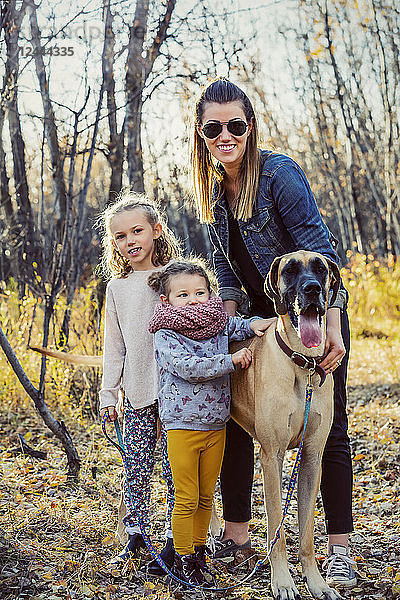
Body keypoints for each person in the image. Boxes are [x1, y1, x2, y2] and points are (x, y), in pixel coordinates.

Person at [191, 77, 356, 589]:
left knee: (327, 435)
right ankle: (239, 537)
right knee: (239, 422)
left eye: (235, 125)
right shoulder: (214, 197)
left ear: (251, 127)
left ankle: (338, 549)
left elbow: (321, 254)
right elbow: (224, 275)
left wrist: (332, 331)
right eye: (214, 127)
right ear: (202, 133)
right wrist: (231, 333)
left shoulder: (279, 174)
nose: (226, 136)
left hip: (314, 312)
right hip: (262, 325)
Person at [148, 260, 273, 586]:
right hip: (182, 426)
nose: (193, 300)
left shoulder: (218, 322)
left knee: (206, 497)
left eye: (200, 292)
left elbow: (240, 327)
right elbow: (187, 366)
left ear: (210, 293)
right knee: (186, 497)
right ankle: (183, 559)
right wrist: (229, 361)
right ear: (167, 301)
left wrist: (260, 324)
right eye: (183, 294)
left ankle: (199, 552)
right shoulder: (165, 333)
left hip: (215, 425)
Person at [98, 191, 180, 575]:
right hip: (137, 394)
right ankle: (135, 535)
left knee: (173, 469)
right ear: (112, 243)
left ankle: (173, 541)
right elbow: (114, 348)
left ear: (156, 231)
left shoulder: (176, 279)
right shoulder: (117, 289)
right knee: (136, 468)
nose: (130, 242)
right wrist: (108, 394)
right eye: (120, 236)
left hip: (178, 394)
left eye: (137, 232)